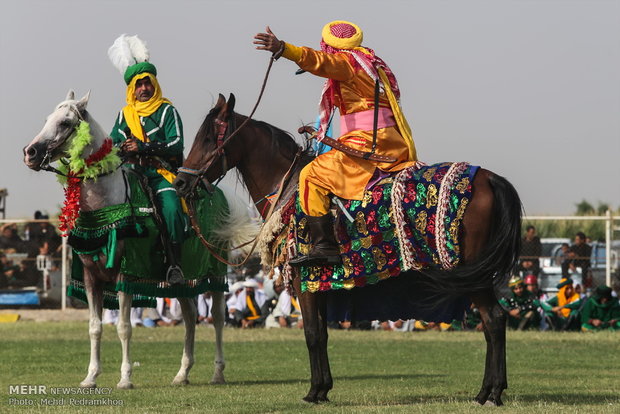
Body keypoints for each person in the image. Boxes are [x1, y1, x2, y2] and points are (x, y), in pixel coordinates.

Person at [254, 22, 418, 266]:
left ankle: (325, 245)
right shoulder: (370, 62)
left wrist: (283, 49)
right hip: (388, 140)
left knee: (310, 175)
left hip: (368, 143)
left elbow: (321, 62)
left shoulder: (349, 63)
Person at [108, 34, 186, 284]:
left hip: (160, 174)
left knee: (172, 210)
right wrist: (125, 147)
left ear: (154, 84)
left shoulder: (167, 110)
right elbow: (112, 145)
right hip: (131, 174)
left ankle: (174, 265)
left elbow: (177, 144)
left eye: (147, 83)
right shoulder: (125, 114)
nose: (143, 89)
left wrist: (143, 146)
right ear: (132, 88)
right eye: (138, 85)